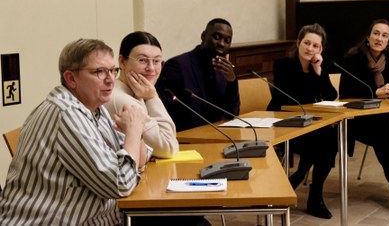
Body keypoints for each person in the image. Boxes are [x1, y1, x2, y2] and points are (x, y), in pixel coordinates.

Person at [0, 39, 151, 225]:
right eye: (99, 72)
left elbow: (138, 161)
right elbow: (121, 183)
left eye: (112, 71)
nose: (110, 79)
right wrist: (134, 131)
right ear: (71, 78)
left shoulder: (94, 107)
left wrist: (136, 132)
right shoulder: (67, 114)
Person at [267, 23, 338, 219]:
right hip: (283, 124)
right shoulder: (282, 65)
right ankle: (303, 185)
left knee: (330, 137)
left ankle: (312, 192)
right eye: (307, 43)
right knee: (322, 139)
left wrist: (318, 70)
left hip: (309, 125)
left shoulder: (319, 67)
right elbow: (295, 97)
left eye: (315, 46)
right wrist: (314, 80)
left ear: (320, 49)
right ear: (298, 43)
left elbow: (331, 96)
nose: (310, 48)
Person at [339, 18, 389, 197]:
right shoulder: (353, 59)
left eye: (384, 35)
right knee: (387, 137)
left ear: (388, 41)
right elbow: (346, 92)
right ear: (368, 37)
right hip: (360, 120)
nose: (379, 38)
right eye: (376, 33)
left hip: (384, 118)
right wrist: (376, 91)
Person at [156, 18, 240, 131]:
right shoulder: (177, 66)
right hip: (185, 139)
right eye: (217, 37)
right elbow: (162, 112)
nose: (221, 44)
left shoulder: (223, 71)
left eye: (227, 40)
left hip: (217, 135)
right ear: (203, 36)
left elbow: (231, 113)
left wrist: (231, 82)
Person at [104, 31, 179, 159]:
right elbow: (168, 148)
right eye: (142, 60)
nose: (151, 68)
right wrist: (152, 97)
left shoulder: (136, 92)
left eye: (156, 61)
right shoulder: (122, 100)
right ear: (122, 61)